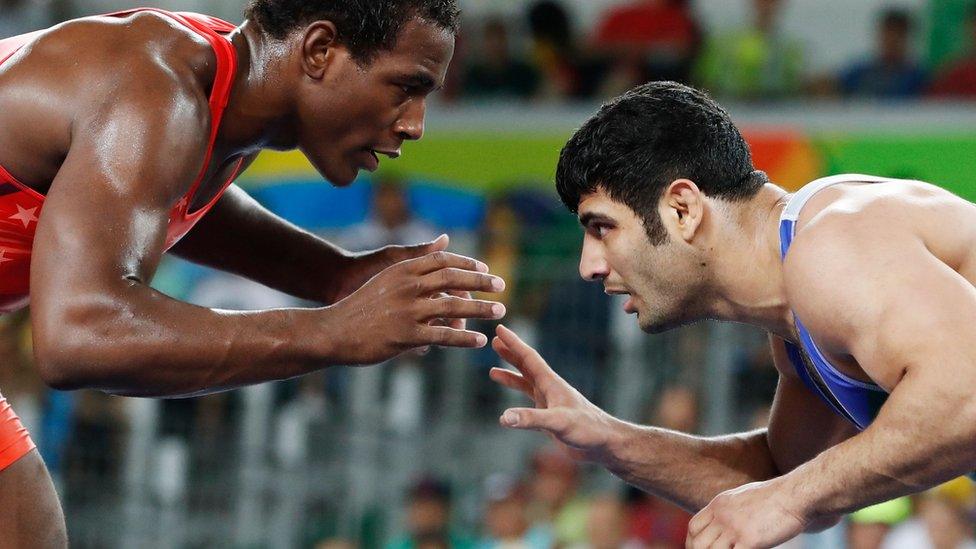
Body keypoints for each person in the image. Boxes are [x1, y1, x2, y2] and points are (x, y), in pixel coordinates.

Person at [0, 1, 508, 546]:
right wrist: (332, 330)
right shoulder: (155, 93)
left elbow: (161, 194)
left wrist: (336, 276)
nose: (415, 124)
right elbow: (79, 335)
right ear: (319, 51)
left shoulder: (214, 86)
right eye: (407, 86)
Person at [487, 81, 976, 548]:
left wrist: (790, 499)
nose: (588, 266)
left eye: (602, 227)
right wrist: (609, 438)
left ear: (682, 209)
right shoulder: (800, 316)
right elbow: (785, 477)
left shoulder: (833, 245)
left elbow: (966, 398)